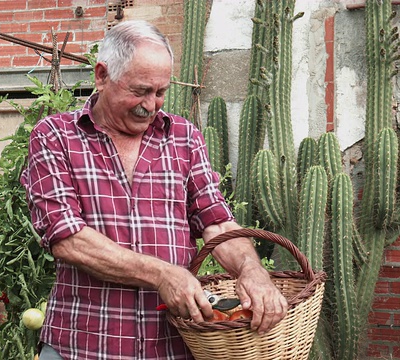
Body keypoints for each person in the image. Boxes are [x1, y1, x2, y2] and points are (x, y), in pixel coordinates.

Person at [20, 20, 288, 359]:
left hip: (172, 347)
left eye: (160, 92)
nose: (151, 104)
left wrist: (252, 270)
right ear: (102, 76)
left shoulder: (183, 137)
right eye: (140, 90)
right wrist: (162, 274)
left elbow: (217, 222)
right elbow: (68, 239)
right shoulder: (55, 136)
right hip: (81, 344)